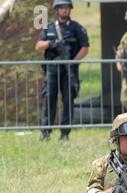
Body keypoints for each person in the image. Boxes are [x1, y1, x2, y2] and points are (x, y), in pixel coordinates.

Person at [36, 0, 89, 141]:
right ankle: (45, 132)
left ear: (70, 9)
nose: (64, 10)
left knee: (68, 101)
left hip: (69, 70)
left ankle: (65, 133)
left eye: (67, 8)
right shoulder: (49, 27)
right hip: (52, 70)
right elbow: (38, 46)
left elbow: (85, 48)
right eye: (61, 8)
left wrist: (72, 62)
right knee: (49, 100)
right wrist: (50, 43)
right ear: (57, 10)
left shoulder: (76, 28)